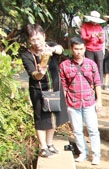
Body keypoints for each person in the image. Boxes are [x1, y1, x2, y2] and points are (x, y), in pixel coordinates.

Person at [20, 24, 68, 158]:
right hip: (39, 90)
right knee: (41, 117)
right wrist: (40, 72)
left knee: (53, 115)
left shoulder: (49, 46)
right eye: (33, 40)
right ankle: (42, 146)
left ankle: (50, 143)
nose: (37, 43)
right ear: (29, 40)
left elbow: (60, 49)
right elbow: (34, 74)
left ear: (44, 37)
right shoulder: (27, 54)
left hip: (54, 87)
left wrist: (51, 49)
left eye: (39, 39)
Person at [59, 37, 103, 165]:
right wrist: (65, 102)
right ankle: (83, 153)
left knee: (93, 129)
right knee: (77, 130)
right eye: (76, 49)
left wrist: (99, 100)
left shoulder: (91, 64)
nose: (79, 52)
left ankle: (96, 155)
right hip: (73, 102)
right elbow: (64, 86)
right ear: (71, 49)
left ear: (85, 49)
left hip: (89, 101)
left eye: (81, 49)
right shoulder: (64, 65)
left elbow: (97, 83)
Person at [80, 11, 105, 82]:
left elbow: (102, 40)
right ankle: (90, 81)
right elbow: (83, 37)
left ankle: (100, 83)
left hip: (98, 49)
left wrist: (99, 37)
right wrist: (91, 36)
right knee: (89, 66)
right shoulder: (85, 26)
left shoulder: (99, 27)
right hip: (89, 49)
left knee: (100, 67)